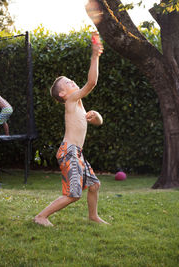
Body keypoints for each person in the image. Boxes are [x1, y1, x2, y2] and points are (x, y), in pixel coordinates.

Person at [34, 32, 108, 227]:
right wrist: (95, 55)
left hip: (77, 153)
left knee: (94, 185)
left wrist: (96, 116)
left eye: (72, 80)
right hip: (69, 152)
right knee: (73, 194)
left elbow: (98, 122)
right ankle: (41, 216)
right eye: (68, 83)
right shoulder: (71, 101)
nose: (73, 82)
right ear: (63, 94)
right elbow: (91, 83)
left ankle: (93, 216)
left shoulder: (79, 106)